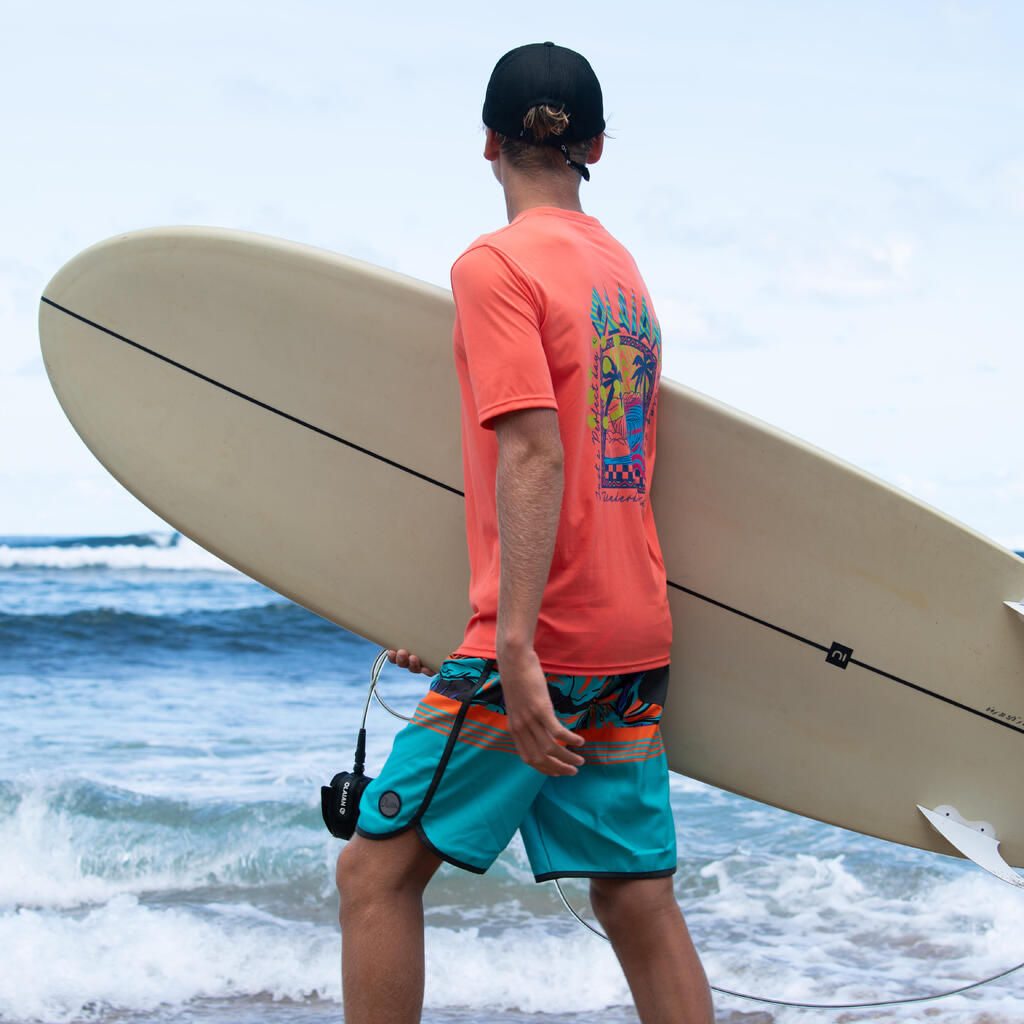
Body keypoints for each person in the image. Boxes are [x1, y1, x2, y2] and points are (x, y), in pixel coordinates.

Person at [336, 42, 713, 1024]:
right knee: (632, 895)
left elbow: (538, 459)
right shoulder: (621, 276)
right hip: (634, 628)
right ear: (594, 146)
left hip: (544, 639)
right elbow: (608, 467)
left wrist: (508, 642)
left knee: (373, 877)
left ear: (487, 143)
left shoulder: (493, 266)